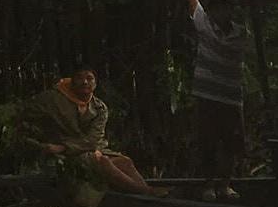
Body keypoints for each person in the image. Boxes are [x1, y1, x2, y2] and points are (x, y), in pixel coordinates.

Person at [176, 0, 252, 200]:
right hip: (208, 96)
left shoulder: (240, 33)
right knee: (207, 141)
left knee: (232, 142)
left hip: (231, 97)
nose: (222, 11)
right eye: (218, 7)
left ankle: (225, 183)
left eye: (226, 7)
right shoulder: (204, 23)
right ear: (213, 9)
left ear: (231, 10)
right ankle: (208, 184)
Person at [20, 66, 167, 196]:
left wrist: (65, 147)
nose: (84, 82)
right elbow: (24, 114)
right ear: (72, 81)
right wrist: (42, 141)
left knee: (125, 161)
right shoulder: (52, 99)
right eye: (79, 78)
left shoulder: (99, 107)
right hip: (65, 155)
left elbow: (93, 139)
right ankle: (146, 192)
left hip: (88, 148)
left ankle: (145, 191)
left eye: (89, 78)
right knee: (102, 162)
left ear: (95, 84)